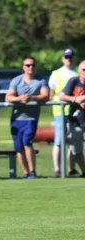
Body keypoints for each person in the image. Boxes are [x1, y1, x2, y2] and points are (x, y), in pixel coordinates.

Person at [5, 56, 50, 179]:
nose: (31, 67)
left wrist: (32, 98)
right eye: (28, 65)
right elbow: (8, 97)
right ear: (23, 67)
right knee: (18, 147)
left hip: (31, 118)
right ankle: (26, 173)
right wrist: (20, 98)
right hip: (16, 118)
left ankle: (32, 172)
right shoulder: (16, 80)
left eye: (33, 65)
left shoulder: (41, 80)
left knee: (27, 142)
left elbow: (46, 95)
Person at [49, 48, 78, 177]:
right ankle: (57, 169)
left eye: (71, 57)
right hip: (60, 112)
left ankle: (72, 168)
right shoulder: (56, 74)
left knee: (73, 141)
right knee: (59, 141)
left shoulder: (79, 72)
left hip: (76, 112)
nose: (69, 59)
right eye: (66, 57)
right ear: (62, 58)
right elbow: (51, 95)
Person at [59, 59, 85, 177]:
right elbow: (62, 96)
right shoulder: (73, 81)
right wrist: (74, 99)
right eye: (84, 69)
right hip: (76, 121)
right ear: (79, 70)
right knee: (76, 150)